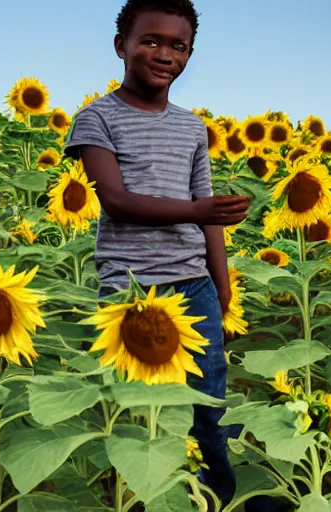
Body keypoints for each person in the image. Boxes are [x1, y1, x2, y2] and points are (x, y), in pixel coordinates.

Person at [63, 0, 252, 508]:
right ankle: (134, 497)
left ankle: (214, 499)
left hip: (194, 286)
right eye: (150, 41)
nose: (164, 53)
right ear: (121, 45)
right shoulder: (96, 119)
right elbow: (117, 202)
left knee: (208, 402)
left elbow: (207, 216)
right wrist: (199, 209)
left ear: (189, 53)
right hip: (131, 289)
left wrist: (223, 285)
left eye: (178, 45)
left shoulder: (192, 127)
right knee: (132, 406)